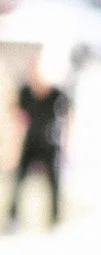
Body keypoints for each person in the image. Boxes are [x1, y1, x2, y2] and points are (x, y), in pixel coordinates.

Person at [8, 51, 70, 231]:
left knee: (53, 183)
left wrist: (67, 143)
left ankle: (55, 220)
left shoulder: (55, 94)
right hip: (30, 142)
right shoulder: (25, 93)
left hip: (49, 143)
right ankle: (14, 218)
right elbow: (17, 118)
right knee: (19, 180)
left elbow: (67, 117)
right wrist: (13, 143)